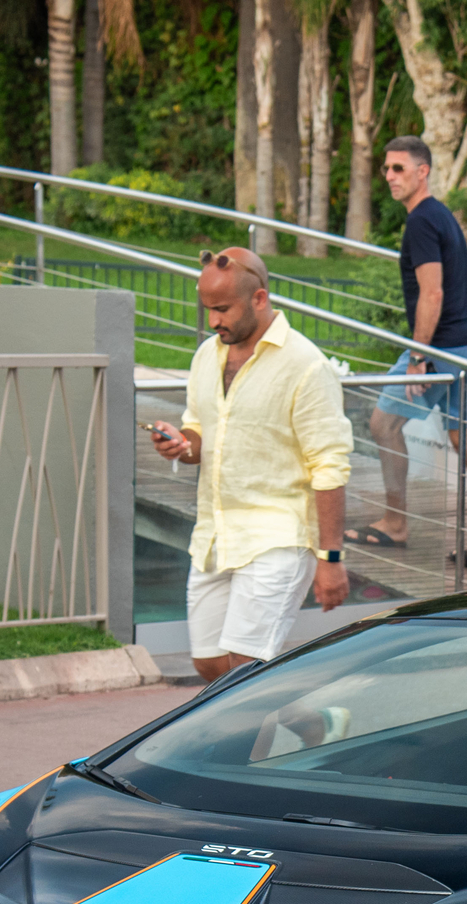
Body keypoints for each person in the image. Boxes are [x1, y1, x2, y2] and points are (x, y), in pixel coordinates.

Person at [155, 248, 353, 682]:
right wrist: (181, 446)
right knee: (210, 666)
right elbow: (200, 436)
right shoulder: (207, 356)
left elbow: (330, 466)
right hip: (215, 534)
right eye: (208, 310)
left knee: (242, 676)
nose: (213, 321)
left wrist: (331, 557)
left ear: (259, 299)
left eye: (223, 309)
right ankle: (314, 724)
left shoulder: (305, 365)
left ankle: (243, 753)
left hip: (278, 537)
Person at [355, 136, 467, 575]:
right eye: (386, 169)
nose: (390, 177)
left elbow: (432, 292)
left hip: (441, 348)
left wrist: (419, 357)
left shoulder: (421, 222)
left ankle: (396, 521)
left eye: (399, 168)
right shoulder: (441, 217)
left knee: (383, 422)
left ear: (424, 171)